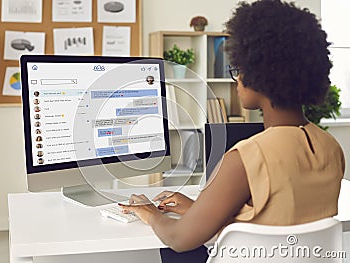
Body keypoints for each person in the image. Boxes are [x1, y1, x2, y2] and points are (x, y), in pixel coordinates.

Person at [120, 1, 345, 262]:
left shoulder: (248, 156)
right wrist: (196, 210)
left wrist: (149, 212)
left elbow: (180, 239)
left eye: (239, 69)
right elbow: (277, 225)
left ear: (261, 74)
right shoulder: (330, 147)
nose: (236, 79)